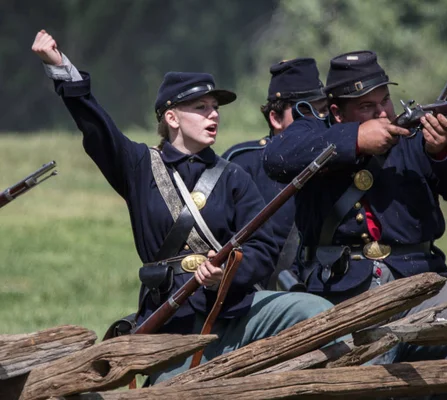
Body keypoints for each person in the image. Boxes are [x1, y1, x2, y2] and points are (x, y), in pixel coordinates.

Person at [31, 29, 334, 384]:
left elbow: (263, 248)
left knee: (314, 310)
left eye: (215, 108)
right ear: (171, 118)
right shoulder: (139, 166)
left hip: (232, 313)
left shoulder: (233, 176)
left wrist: (227, 273)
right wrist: (61, 68)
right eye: (201, 107)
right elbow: (97, 125)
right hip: (170, 322)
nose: (214, 116)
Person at [263, 50, 447, 398]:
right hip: (344, 292)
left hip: (421, 283)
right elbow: (277, 157)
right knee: (369, 373)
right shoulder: (318, 133)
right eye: (367, 107)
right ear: (337, 112)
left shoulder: (415, 138)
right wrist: (355, 139)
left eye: (384, 101)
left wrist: (444, 150)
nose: (383, 113)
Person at [222, 58, 328, 288]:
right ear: (276, 118)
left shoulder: (337, 159)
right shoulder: (243, 163)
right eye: (305, 110)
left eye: (322, 110)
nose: (318, 120)